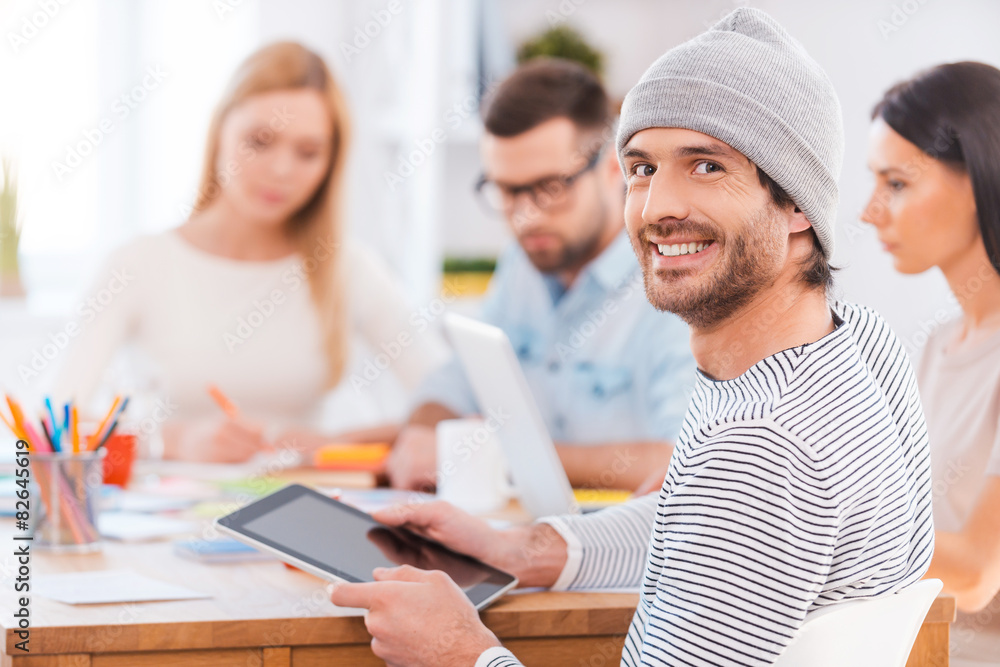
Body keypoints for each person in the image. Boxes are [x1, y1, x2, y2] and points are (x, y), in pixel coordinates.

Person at [329, 9, 934, 666]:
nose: (657, 208)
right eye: (642, 168)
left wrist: (461, 650)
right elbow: (707, 527)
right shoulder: (861, 345)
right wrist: (523, 548)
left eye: (706, 166)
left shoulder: (756, 445)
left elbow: (735, 496)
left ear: (797, 203)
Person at [51, 42, 448, 463]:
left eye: (308, 153)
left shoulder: (347, 266)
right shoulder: (138, 263)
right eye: (260, 141)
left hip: (299, 506)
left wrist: (336, 444)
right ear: (219, 131)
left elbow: (453, 403)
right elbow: (53, 423)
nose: (281, 170)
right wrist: (174, 441)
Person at [388, 59, 695, 492]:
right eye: (507, 191)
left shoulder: (675, 282)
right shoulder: (524, 265)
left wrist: (504, 453)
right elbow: (458, 382)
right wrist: (422, 432)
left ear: (614, 169)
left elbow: (683, 459)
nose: (526, 216)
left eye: (549, 188)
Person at [862, 61, 1000, 666]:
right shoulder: (930, 349)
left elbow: (974, 571)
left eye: (896, 183)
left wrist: (800, 525)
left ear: (975, 181)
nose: (870, 213)